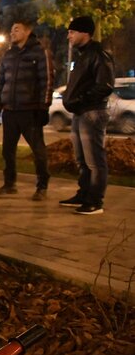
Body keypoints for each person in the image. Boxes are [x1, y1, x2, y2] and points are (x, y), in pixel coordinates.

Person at [0, 18, 54, 200]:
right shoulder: (8, 55)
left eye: (16, 29)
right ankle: (9, 184)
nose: (12, 33)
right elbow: (0, 82)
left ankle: (42, 187)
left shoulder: (40, 52)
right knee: (7, 151)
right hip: (10, 111)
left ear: (27, 32)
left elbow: (47, 81)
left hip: (30, 111)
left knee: (38, 151)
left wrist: (43, 107)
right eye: (11, 30)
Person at [59, 16, 115, 215]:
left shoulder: (98, 54)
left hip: (92, 112)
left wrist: (80, 100)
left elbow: (105, 86)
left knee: (94, 161)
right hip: (80, 112)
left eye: (72, 32)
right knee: (82, 160)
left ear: (85, 33)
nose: (69, 36)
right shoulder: (83, 55)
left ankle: (95, 201)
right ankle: (83, 194)